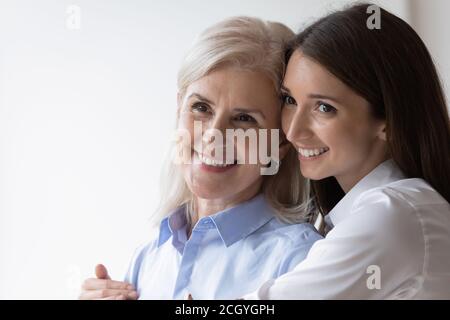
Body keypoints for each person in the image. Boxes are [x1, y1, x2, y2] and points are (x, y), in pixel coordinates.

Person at [79, 16, 322, 300]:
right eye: (201, 107)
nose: (213, 135)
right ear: (179, 108)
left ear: (280, 142)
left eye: (244, 119)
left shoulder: (299, 261)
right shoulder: (148, 258)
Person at [243, 3, 450, 299]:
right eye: (289, 100)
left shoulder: (391, 216)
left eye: (324, 108)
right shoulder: (394, 210)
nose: (293, 130)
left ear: (388, 122)